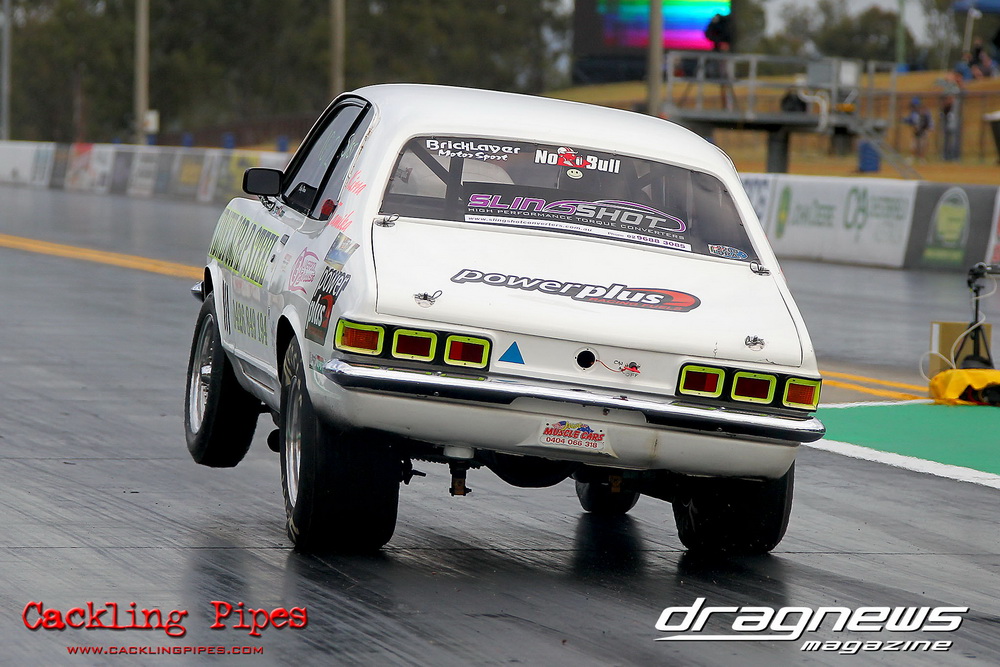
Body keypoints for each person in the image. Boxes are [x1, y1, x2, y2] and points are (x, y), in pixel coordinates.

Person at [903, 97, 933, 161]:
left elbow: (929, 121)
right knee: (913, 144)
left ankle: (922, 158)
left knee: (922, 144)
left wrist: (929, 128)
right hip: (916, 131)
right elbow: (910, 120)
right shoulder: (913, 113)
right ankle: (912, 157)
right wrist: (904, 120)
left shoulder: (925, 112)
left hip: (924, 130)